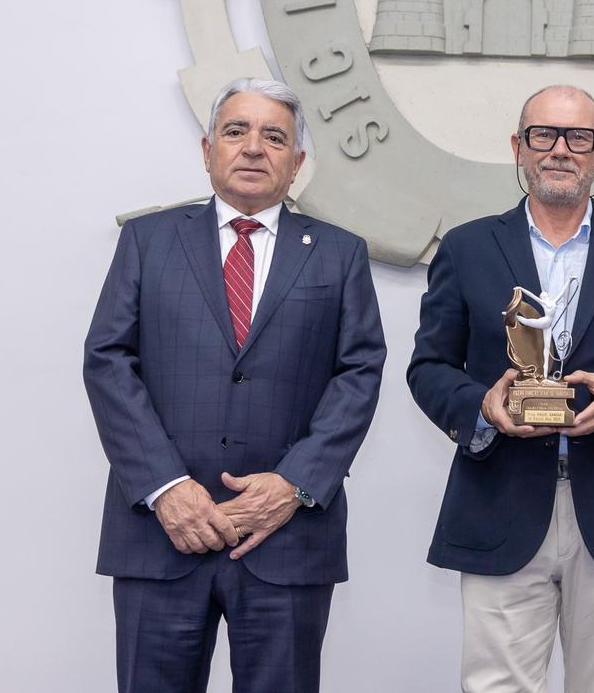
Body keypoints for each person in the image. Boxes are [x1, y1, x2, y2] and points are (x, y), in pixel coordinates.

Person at [83, 78, 386, 693]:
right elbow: (108, 361)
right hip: (160, 534)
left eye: (274, 137)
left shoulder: (339, 253)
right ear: (207, 149)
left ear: (297, 164)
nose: (254, 148)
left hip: (287, 537)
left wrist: (294, 485)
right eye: (236, 131)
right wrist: (167, 489)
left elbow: (359, 373)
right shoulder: (147, 242)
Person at [408, 85, 594, 692]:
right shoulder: (466, 248)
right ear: (519, 147)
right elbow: (429, 368)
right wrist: (482, 407)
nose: (560, 149)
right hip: (499, 503)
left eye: (578, 137)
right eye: (544, 135)